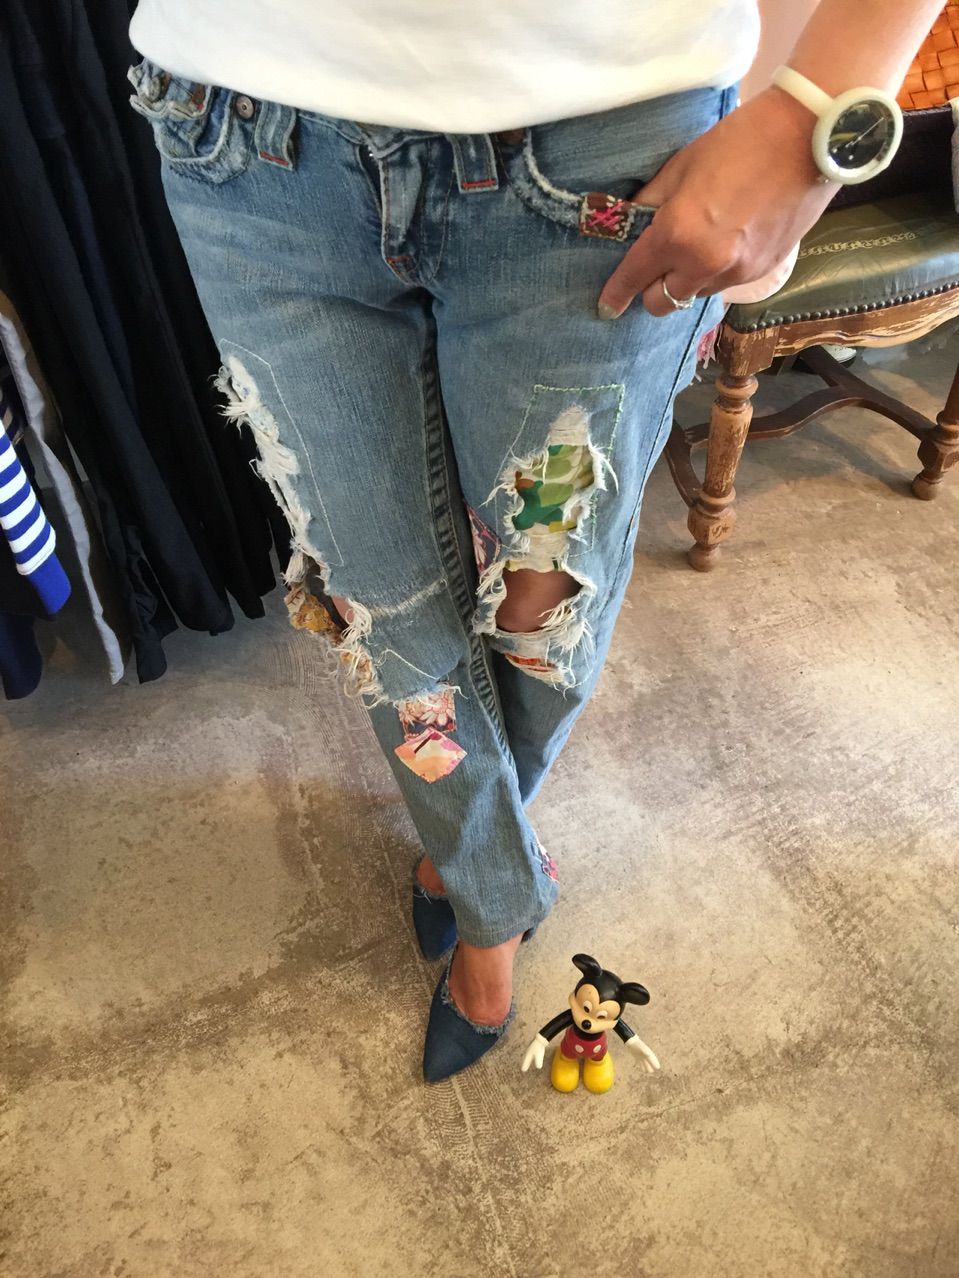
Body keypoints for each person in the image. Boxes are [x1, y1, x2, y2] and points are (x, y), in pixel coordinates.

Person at [126, 0, 943, 1082]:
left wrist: (814, 115)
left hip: (602, 161)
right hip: (243, 139)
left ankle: (468, 855)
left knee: (541, 617)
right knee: (382, 611)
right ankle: (490, 898)